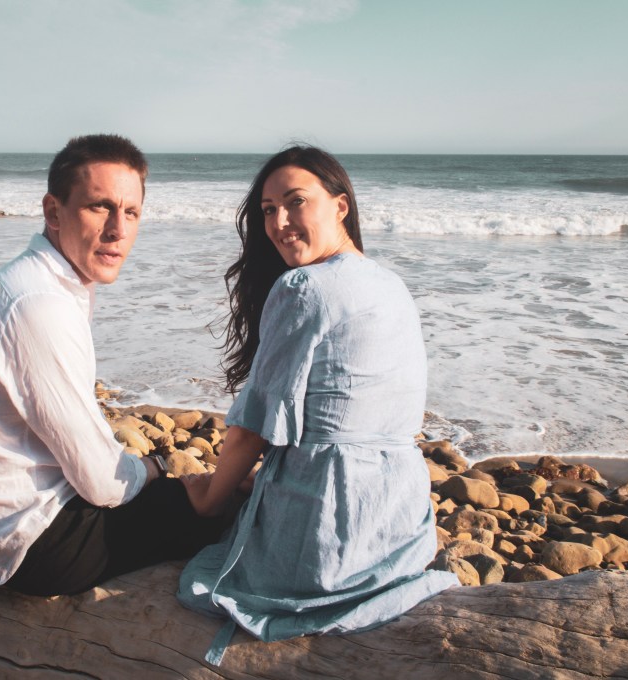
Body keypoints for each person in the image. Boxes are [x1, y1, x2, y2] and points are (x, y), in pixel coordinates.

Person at [177, 146, 460, 664]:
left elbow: (251, 430)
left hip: (327, 531)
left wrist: (210, 498)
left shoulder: (304, 286)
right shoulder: (390, 284)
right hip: (398, 523)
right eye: (267, 209)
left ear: (340, 206)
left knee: (174, 528)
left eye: (295, 202)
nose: (279, 222)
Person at [0, 134, 226, 596]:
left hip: (12, 528)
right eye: (100, 207)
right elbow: (101, 483)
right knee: (223, 509)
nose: (118, 229)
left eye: (131, 212)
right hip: (35, 545)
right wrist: (153, 470)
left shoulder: (46, 284)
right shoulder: (39, 304)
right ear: (54, 212)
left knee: (202, 496)